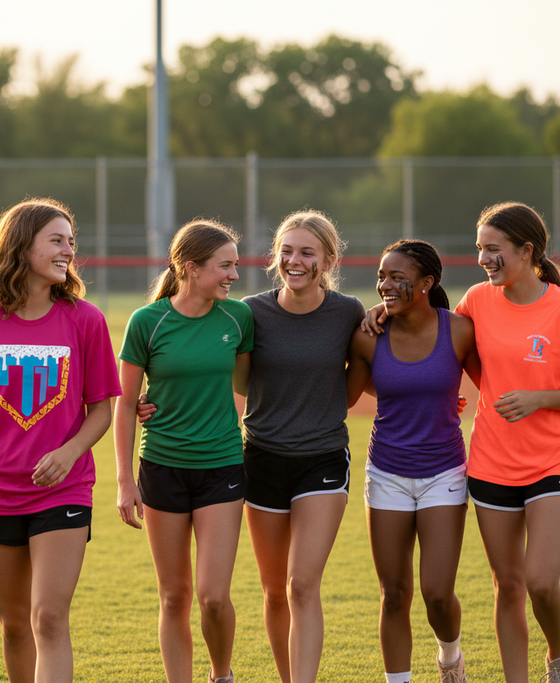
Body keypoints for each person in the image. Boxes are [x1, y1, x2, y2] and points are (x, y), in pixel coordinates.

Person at [137, 209, 364, 683]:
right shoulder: (250, 313)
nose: (294, 261)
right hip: (259, 458)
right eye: (286, 251)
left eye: (306, 252)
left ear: (328, 259)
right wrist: (155, 399)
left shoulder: (349, 312)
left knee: (302, 583)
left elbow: (368, 373)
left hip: (322, 457)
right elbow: (228, 377)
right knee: (274, 589)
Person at [364, 202, 560, 683]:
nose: (483, 257)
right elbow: (432, 331)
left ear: (527, 252)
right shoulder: (477, 303)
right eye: (480, 247)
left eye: (494, 248)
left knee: (541, 582)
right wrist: (384, 307)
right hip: (489, 461)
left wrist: (539, 399)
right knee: (507, 585)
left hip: (554, 458)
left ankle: (559, 656)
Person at [0, 197, 122, 683]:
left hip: (64, 489)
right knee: (14, 626)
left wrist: (70, 452)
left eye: (71, 242)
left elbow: (102, 411)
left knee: (48, 617)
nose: (68, 251)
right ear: (21, 244)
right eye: (56, 240)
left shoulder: (85, 320)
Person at [114, 219, 254, 683]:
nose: (234, 275)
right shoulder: (146, 323)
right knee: (174, 596)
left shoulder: (239, 319)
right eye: (225, 266)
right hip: (161, 469)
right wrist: (124, 480)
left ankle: (221, 676)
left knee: (213, 595)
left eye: (235, 264)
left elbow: (247, 385)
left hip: (222, 467)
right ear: (191, 268)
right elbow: (123, 404)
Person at [346, 239, 477, 683]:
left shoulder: (458, 331)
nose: (385, 285)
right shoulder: (369, 335)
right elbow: (344, 395)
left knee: (437, 593)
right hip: (386, 474)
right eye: (381, 276)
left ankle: (449, 656)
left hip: (444, 472)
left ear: (427, 283)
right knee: (394, 594)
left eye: (397, 278)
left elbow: (496, 382)